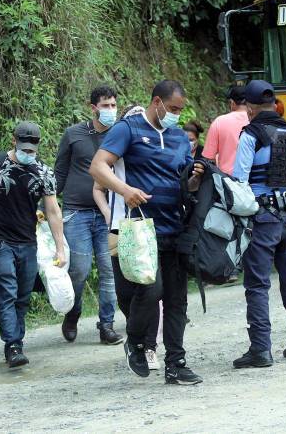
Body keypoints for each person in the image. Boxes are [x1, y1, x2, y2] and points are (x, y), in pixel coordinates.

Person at [90, 79, 205, 385]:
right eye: (173, 108)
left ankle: (176, 363)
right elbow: (98, 167)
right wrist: (125, 190)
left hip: (175, 226)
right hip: (139, 227)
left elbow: (183, 184)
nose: (177, 114)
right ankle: (136, 341)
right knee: (150, 291)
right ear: (157, 102)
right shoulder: (127, 129)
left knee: (177, 299)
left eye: (180, 110)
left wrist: (195, 180)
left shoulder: (181, 138)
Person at [231, 80, 286, 368]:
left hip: (262, 219)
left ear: (249, 107)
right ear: (274, 104)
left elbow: (239, 182)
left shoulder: (251, 135)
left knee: (257, 284)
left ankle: (260, 350)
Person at [0, 122, 66, 368]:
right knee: (7, 291)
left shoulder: (43, 172)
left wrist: (60, 247)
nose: (28, 153)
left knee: (22, 294)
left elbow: (52, 210)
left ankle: (15, 341)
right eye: (24, 148)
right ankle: (12, 344)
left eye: (32, 150)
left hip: (27, 241)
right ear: (14, 141)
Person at [93, 104, 161, 370]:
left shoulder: (156, 151)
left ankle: (149, 346)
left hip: (147, 228)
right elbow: (97, 187)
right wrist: (109, 211)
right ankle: (137, 338)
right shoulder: (115, 153)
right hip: (118, 230)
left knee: (150, 287)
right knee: (124, 292)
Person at [54, 86, 122, 345]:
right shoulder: (73, 134)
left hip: (109, 214)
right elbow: (59, 173)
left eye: (114, 105)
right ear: (92, 107)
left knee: (108, 271)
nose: (110, 111)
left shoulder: (120, 135)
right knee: (79, 270)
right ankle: (73, 312)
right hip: (76, 212)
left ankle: (107, 325)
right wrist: (47, 208)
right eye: (105, 106)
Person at [202, 85, 249, 175]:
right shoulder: (257, 121)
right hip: (252, 180)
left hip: (227, 181)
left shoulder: (219, 122)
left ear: (232, 103)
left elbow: (208, 157)